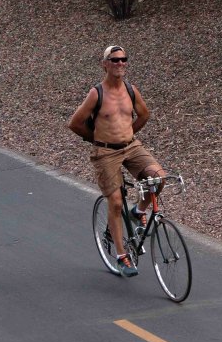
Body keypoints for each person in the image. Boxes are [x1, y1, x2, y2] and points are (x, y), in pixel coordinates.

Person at [67, 45, 167, 278]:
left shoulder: (131, 90)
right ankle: (122, 255)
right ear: (105, 64)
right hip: (106, 153)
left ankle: (138, 210)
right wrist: (97, 138)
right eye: (115, 60)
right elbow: (75, 123)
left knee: (158, 178)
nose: (120, 64)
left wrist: (129, 134)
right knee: (114, 202)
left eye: (123, 60)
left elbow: (144, 114)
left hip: (131, 147)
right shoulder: (97, 93)